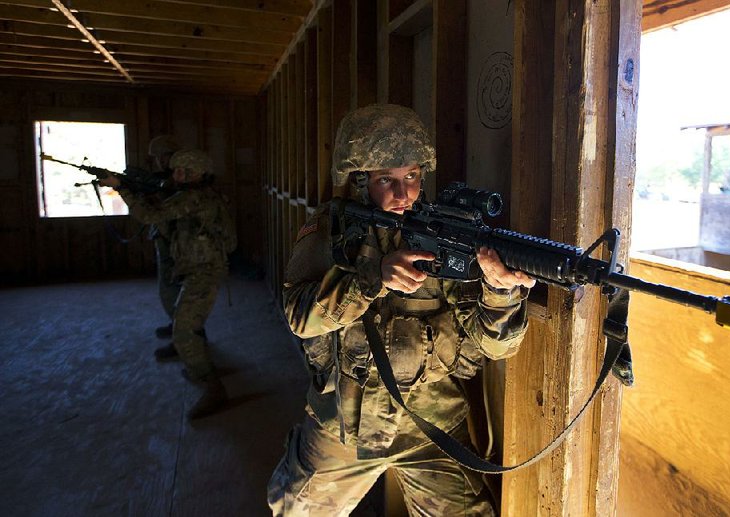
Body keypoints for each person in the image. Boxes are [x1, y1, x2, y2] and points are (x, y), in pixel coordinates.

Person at [268, 104, 535, 516]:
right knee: (294, 510)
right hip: (344, 422)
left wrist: (500, 294)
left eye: (411, 176)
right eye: (385, 180)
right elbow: (299, 318)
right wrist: (371, 278)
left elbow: (497, 348)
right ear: (359, 183)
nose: (403, 194)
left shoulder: (444, 233)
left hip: (431, 423)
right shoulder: (332, 228)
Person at [100, 149, 237, 420]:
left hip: (204, 272)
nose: (174, 175)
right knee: (186, 324)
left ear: (194, 173)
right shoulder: (199, 194)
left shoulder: (194, 198)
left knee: (183, 331)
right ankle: (200, 366)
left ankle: (213, 388)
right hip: (197, 269)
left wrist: (122, 189)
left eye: (180, 171)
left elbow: (151, 216)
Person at [145, 135, 183, 343]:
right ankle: (177, 325)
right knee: (170, 287)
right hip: (167, 237)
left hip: (175, 241)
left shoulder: (177, 180)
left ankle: (184, 334)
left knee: (172, 287)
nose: (159, 161)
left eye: (162, 156)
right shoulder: (167, 179)